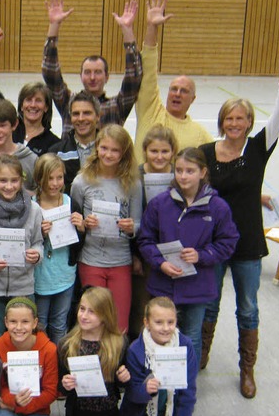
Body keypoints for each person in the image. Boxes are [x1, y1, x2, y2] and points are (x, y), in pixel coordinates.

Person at [199, 37, 279, 397]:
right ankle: (203, 355)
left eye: (241, 118)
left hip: (248, 245)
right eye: (229, 118)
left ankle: (247, 369)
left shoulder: (258, 149)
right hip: (213, 244)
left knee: (248, 308)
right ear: (221, 121)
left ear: (250, 122)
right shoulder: (206, 153)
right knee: (209, 304)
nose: (235, 123)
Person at [137, 148, 238, 362]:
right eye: (179, 170)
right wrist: (160, 263)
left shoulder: (218, 207)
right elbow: (145, 240)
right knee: (160, 337)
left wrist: (202, 255)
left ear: (202, 173)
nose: (183, 176)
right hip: (164, 284)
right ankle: (159, 391)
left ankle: (185, 389)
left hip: (197, 287)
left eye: (190, 171)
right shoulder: (160, 204)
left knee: (191, 336)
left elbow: (228, 242)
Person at [70, 124, 142, 332]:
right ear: (97, 148)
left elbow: (139, 222)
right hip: (91, 259)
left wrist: (131, 227)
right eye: (104, 148)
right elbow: (74, 220)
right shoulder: (81, 181)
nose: (108, 154)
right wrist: (84, 223)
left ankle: (116, 362)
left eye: (115, 150)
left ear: (124, 153)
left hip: (120, 260)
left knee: (119, 324)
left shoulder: (132, 183)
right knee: (92, 321)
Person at [59, 286, 129, 416]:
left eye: (92, 311)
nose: (84, 315)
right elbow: (61, 387)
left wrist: (125, 378)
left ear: (105, 315)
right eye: (82, 309)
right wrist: (65, 385)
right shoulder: (67, 345)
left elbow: (124, 387)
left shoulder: (119, 343)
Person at [42, 0, 142, 135]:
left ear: (107, 77)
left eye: (98, 72)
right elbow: (50, 72)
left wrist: (127, 29)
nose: (92, 77)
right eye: (87, 72)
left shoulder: (117, 107)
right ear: (81, 76)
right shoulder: (68, 102)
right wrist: (54, 25)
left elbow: (134, 77)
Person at [121, 297, 197, 416]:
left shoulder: (185, 347)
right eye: (159, 322)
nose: (165, 328)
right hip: (141, 414)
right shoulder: (136, 350)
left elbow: (188, 395)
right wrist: (145, 390)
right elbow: (131, 393)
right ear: (146, 323)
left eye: (171, 322)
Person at [0, 155, 43, 343]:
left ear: (22, 180)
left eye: (14, 180)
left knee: (25, 339)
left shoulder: (35, 210)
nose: (9, 186)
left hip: (23, 286)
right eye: (3, 180)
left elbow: (38, 242)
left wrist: (36, 255)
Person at [134, 0, 213, 151]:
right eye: (174, 89)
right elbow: (148, 71)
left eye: (184, 91)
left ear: (193, 99)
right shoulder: (150, 112)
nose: (177, 94)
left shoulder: (201, 136)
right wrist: (152, 28)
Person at [129, 124, 178, 339]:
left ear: (173, 152)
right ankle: (138, 353)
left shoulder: (179, 177)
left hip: (172, 252)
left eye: (165, 151)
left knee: (167, 307)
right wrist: (134, 255)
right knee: (141, 305)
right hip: (143, 252)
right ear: (145, 151)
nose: (159, 156)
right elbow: (131, 217)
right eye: (154, 151)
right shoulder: (135, 177)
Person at [0, 22, 59, 156]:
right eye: (28, 100)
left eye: (38, 100)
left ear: (46, 107)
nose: (33, 105)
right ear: (21, 105)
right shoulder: (10, 128)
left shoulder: (54, 143)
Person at [33, 154, 82, 344]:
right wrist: (41, 234)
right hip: (41, 275)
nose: (54, 183)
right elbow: (27, 240)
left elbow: (80, 241)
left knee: (60, 323)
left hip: (65, 274)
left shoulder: (70, 202)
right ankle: (43, 365)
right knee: (40, 325)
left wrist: (81, 227)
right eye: (49, 178)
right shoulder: (33, 205)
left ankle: (59, 366)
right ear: (39, 179)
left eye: (59, 178)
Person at [48, 91, 101, 194]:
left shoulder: (109, 151)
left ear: (98, 116)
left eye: (87, 113)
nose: (81, 118)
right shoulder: (56, 153)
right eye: (76, 114)